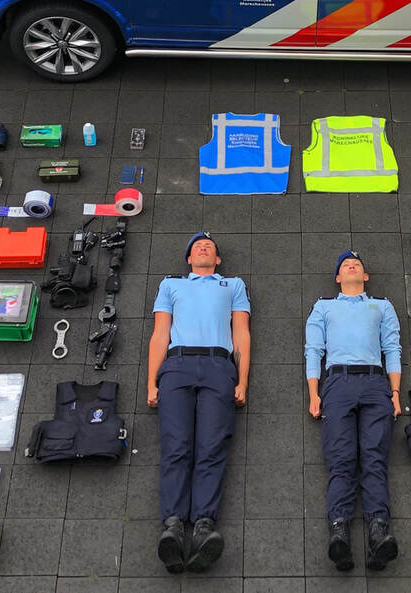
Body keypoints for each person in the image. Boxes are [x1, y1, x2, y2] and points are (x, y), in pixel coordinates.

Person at [147, 232, 251, 573]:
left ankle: (204, 526)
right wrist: (151, 381)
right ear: (189, 259)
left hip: (219, 366)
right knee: (176, 445)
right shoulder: (170, 285)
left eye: (209, 247)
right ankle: (173, 526)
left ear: (217, 259)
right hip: (176, 365)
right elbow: (160, 334)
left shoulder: (233, 285)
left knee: (212, 446)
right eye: (197, 247)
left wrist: (242, 379)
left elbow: (241, 333)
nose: (204, 247)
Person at [305, 250, 402, 571]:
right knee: (341, 459)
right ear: (338, 278)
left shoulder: (382, 306)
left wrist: (395, 393)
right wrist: (313, 394)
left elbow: (392, 348)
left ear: (365, 276)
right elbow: (313, 350)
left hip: (375, 383)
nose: (351, 265)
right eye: (346, 265)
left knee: (374, 458)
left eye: (357, 264)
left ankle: (378, 533)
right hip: (337, 383)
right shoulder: (323, 307)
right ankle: (340, 533)